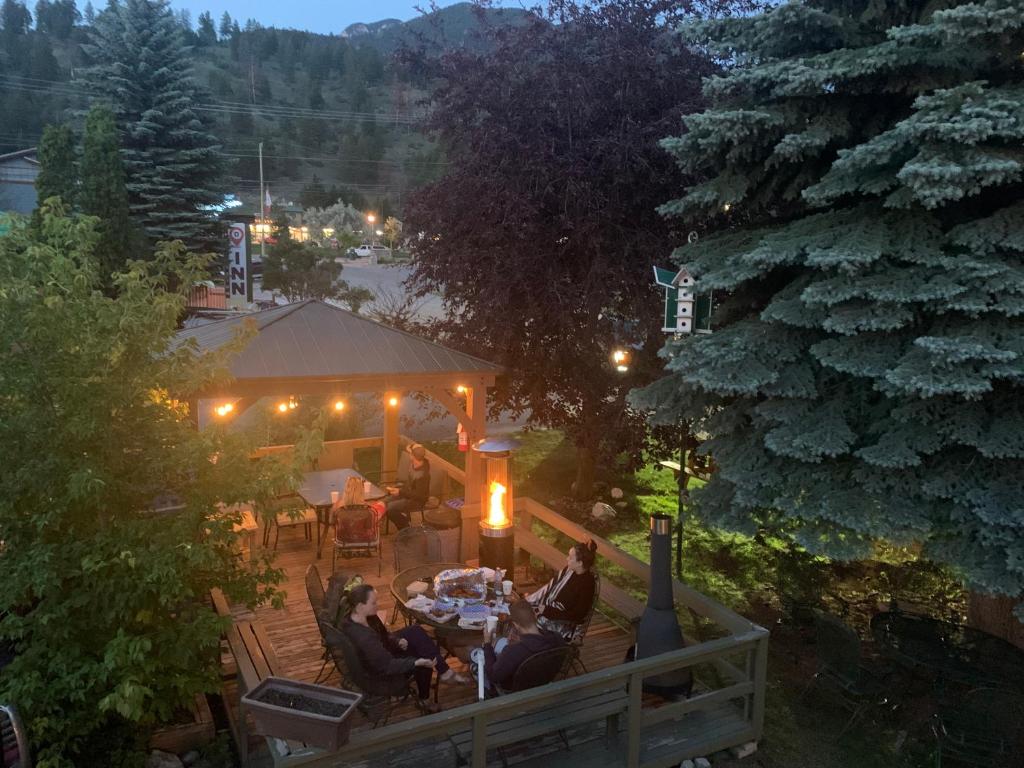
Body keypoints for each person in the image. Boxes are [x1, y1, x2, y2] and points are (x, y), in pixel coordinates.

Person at [340, 584, 468, 713]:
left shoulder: (362, 616)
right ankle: (424, 700)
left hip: (382, 649)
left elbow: (383, 635)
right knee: (423, 658)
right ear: (360, 606)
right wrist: (416, 662)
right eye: (373, 603)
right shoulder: (363, 637)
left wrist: (396, 641)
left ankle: (444, 671)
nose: (377, 605)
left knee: (415, 631)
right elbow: (387, 665)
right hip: (380, 674)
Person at [479, 599, 565, 693]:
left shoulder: (513, 651)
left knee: (477, 658)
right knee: (502, 643)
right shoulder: (558, 638)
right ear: (535, 616)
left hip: (516, 692)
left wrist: (487, 644)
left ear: (516, 624)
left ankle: (488, 692)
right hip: (543, 682)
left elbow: (493, 676)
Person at [526, 539, 598, 642]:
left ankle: (527, 649)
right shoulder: (569, 571)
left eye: (570, 557)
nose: (567, 558)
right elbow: (550, 587)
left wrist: (546, 611)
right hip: (550, 610)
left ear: (579, 563)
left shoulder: (587, 585)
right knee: (520, 610)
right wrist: (531, 600)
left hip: (564, 624)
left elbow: (577, 615)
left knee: (524, 621)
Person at [385, 443, 431, 531]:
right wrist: (398, 489)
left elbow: (418, 495)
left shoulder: (423, 475)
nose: (409, 454)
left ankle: (406, 528)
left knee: (390, 508)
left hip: (417, 500)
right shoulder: (414, 464)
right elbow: (409, 485)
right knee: (385, 501)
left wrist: (400, 492)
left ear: (412, 456)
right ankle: (405, 523)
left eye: (410, 453)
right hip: (408, 494)